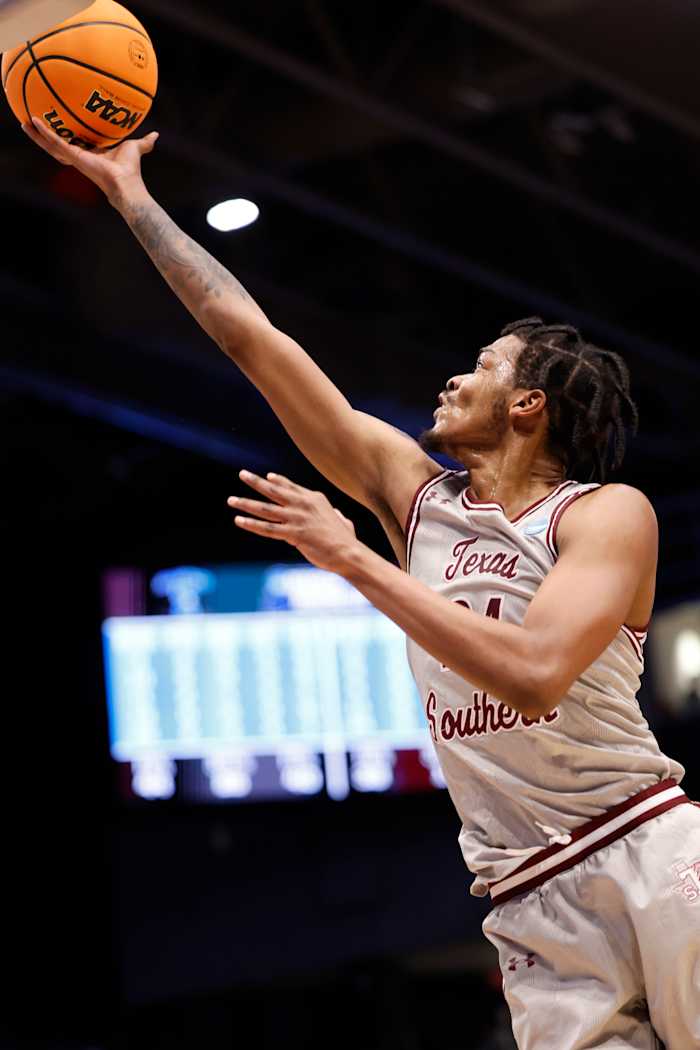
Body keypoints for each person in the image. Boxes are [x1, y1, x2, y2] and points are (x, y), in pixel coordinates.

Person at [23, 119, 700, 1049]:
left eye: (483, 368)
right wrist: (130, 195)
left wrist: (352, 561)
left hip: (646, 849)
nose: (453, 379)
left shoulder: (604, 514)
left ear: (528, 404)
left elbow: (535, 673)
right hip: (529, 898)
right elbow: (250, 339)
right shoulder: (415, 499)